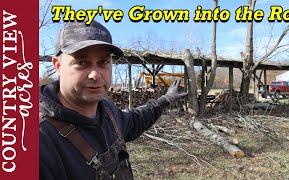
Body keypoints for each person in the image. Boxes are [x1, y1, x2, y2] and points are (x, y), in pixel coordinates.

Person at [39, 20, 187, 180]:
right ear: (58, 65)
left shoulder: (108, 112)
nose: (95, 74)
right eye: (81, 62)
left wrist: (166, 99)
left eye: (103, 62)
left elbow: (136, 120)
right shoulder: (39, 141)